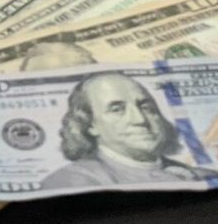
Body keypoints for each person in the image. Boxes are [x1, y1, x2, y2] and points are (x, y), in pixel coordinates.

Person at [41, 72, 201, 188]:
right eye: (117, 109)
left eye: (146, 107)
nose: (140, 119)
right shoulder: (69, 182)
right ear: (90, 125)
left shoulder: (202, 176)